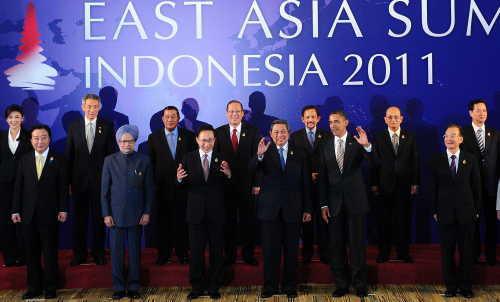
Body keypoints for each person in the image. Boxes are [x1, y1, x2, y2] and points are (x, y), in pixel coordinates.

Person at [318, 110, 379, 298]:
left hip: (356, 202)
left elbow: (375, 163)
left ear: (346, 122)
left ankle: (360, 284)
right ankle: (341, 284)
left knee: (357, 245)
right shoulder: (325, 145)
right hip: (334, 203)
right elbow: (322, 178)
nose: (333, 125)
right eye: (330, 122)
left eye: (336, 121)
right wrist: (323, 204)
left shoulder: (357, 141)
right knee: (336, 246)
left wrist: (367, 145)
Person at [249, 119, 312, 299]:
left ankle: (290, 286)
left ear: (289, 132)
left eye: (283, 131)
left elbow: (306, 182)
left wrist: (307, 208)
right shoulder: (265, 151)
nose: (279, 135)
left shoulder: (300, 152)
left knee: (292, 251)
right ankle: (270, 287)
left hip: (293, 208)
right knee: (270, 251)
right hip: (270, 210)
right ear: (270, 134)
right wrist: (259, 156)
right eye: (276, 132)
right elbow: (252, 169)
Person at [12, 124, 69, 300]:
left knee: (50, 252)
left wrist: (63, 209)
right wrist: (15, 210)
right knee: (31, 253)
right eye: (36, 138)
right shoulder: (24, 159)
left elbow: (62, 187)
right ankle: (34, 287)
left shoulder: (58, 158)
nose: (40, 141)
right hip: (28, 214)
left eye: (43, 137)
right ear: (31, 140)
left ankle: (51, 287)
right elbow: (18, 187)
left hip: (50, 213)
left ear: (49, 139)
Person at [177, 124, 234, 300]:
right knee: (196, 251)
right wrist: (178, 179)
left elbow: (230, 189)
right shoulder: (188, 157)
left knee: (217, 250)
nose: (207, 143)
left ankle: (215, 286)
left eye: (210, 140)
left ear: (214, 140)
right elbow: (182, 188)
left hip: (216, 212)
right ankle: (197, 286)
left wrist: (229, 175)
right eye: (203, 140)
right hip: (195, 212)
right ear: (197, 140)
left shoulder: (222, 157)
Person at [101, 125, 154, 300]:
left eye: (130, 141)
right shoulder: (109, 160)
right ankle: (118, 287)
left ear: (135, 141)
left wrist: (146, 212)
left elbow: (149, 190)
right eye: (123, 141)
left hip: (137, 214)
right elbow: (105, 191)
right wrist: (106, 214)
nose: (127, 144)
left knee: (134, 253)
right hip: (114, 215)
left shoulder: (144, 160)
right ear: (118, 142)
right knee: (116, 253)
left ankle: (133, 286)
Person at [430, 124, 481, 298]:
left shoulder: (471, 159)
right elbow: (433, 188)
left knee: (467, 251)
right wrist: (435, 210)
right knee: (447, 252)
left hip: (467, 212)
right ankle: (451, 286)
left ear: (460, 139)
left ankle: (466, 287)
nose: (449, 139)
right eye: (446, 136)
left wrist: (476, 209)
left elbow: (476, 186)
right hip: (444, 213)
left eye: (453, 135)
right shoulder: (436, 160)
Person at [66, 93, 115, 266]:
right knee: (79, 220)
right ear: (83, 107)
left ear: (99, 107)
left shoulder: (107, 126)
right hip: (78, 182)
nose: (92, 109)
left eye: (95, 106)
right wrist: (69, 183)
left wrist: (110, 182)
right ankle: (79, 254)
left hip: (100, 183)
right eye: (89, 106)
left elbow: (110, 157)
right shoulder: (73, 126)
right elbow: (69, 156)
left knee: (99, 220)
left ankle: (98, 252)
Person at [147, 106, 197, 265]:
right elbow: (151, 164)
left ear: (178, 118)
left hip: (184, 187)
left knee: (183, 222)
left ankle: (183, 253)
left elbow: (194, 161)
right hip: (162, 189)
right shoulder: (153, 137)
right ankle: (164, 253)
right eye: (167, 117)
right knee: (163, 223)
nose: (170, 119)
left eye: (173, 116)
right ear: (163, 119)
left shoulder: (189, 136)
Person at [214, 100, 261, 267]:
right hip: (225, 186)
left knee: (248, 221)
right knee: (228, 222)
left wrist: (257, 183)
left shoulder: (253, 131)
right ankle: (230, 254)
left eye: (237, 111)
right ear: (227, 113)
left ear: (243, 113)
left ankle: (248, 254)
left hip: (247, 185)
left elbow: (258, 159)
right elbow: (215, 159)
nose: (234, 114)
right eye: (231, 111)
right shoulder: (218, 132)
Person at [371, 106, 420, 263]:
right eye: (390, 117)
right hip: (384, 186)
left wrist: (415, 182)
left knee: (403, 221)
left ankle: (403, 252)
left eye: (396, 117)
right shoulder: (378, 137)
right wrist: (374, 184)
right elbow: (374, 163)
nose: (393, 120)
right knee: (384, 221)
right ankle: (383, 253)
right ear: (385, 119)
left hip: (404, 185)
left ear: (401, 118)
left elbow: (415, 162)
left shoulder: (410, 136)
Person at [289, 105, 333, 265]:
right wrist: (308, 175)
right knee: (306, 221)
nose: (310, 120)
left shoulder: (328, 136)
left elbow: (331, 159)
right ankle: (306, 253)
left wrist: (320, 175)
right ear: (302, 119)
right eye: (307, 117)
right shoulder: (294, 137)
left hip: (323, 186)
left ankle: (324, 252)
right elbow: (293, 163)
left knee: (323, 221)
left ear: (318, 119)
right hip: (304, 187)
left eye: (313, 117)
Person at [460, 99, 500, 266]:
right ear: (470, 113)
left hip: (492, 186)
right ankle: (473, 255)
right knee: (472, 225)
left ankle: (491, 257)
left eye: (484, 110)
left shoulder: (495, 134)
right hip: (471, 187)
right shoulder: (463, 133)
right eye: (478, 110)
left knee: (492, 224)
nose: (482, 113)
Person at [0, 105, 31, 267]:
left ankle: (22, 255)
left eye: (17, 117)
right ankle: (10, 257)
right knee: (6, 221)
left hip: (24, 183)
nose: (14, 120)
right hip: (4, 185)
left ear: (22, 118)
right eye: (11, 117)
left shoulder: (29, 136)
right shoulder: (1, 136)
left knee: (23, 220)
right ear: (6, 119)